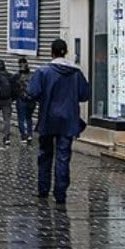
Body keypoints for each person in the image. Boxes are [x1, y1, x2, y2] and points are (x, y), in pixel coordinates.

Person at [26, 39, 91, 205]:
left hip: (48, 119)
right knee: (63, 156)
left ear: (51, 52)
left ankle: (43, 189)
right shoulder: (76, 73)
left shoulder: (43, 72)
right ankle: (60, 193)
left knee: (45, 154)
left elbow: (32, 92)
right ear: (66, 51)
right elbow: (85, 95)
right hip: (68, 120)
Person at [15, 57, 36, 144]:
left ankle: (24, 137)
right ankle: (30, 135)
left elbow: (15, 88)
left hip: (21, 100)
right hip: (31, 100)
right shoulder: (33, 75)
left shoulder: (17, 76)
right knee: (29, 118)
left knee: (21, 118)